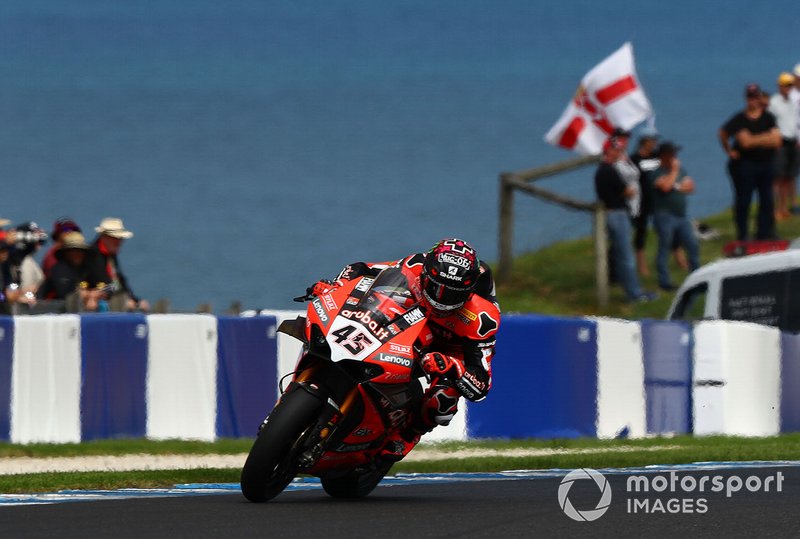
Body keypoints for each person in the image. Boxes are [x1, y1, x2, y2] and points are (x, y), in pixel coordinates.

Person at [307, 238, 500, 461]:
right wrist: (337, 285)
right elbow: (361, 269)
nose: (441, 299)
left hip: (448, 351)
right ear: (427, 273)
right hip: (413, 326)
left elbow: (481, 385)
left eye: (452, 294)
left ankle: (407, 436)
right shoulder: (414, 266)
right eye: (436, 288)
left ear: (469, 292)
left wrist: (452, 367)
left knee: (443, 400)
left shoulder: (482, 318)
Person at [595, 136, 657, 303]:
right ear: (609, 151)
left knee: (621, 254)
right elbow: (626, 191)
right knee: (626, 256)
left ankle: (630, 289)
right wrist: (628, 191)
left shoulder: (602, 170)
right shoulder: (608, 170)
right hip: (617, 213)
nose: (619, 153)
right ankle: (634, 294)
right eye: (617, 150)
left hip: (613, 213)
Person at [719, 83, 782, 241]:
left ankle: (764, 232)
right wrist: (729, 150)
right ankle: (743, 234)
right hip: (745, 165)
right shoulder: (740, 119)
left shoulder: (768, 117)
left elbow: (776, 140)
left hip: (765, 163)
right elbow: (723, 133)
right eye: (750, 97)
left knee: (767, 199)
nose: (753, 101)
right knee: (744, 200)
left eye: (755, 97)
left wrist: (753, 139)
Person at [648, 141, 701, 291]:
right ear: (664, 156)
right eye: (672, 154)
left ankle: (697, 276)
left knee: (692, 244)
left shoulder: (679, 170)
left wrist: (675, 185)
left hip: (681, 216)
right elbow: (664, 187)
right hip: (664, 216)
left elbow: (690, 187)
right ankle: (665, 282)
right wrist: (674, 174)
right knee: (665, 247)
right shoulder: (655, 172)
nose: (675, 157)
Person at [86, 217, 150, 312]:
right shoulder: (92, 255)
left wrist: (135, 300)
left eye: (120, 239)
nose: (119, 242)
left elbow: (119, 281)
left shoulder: (110, 255)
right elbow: (106, 284)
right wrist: (127, 299)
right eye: (115, 238)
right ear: (104, 237)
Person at [36, 231, 101, 311]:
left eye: (80, 250)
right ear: (65, 253)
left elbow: (103, 283)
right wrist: (85, 294)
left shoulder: (87, 268)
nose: (76, 254)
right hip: (52, 311)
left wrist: (97, 292)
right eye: (72, 250)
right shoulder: (59, 269)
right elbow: (64, 293)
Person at [768, 72, 799, 221]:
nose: (789, 88)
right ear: (780, 86)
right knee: (777, 178)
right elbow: (769, 123)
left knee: (788, 176)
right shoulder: (774, 102)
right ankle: (774, 209)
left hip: (793, 141)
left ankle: (783, 207)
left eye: (791, 85)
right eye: (786, 85)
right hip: (780, 143)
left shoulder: (793, 101)